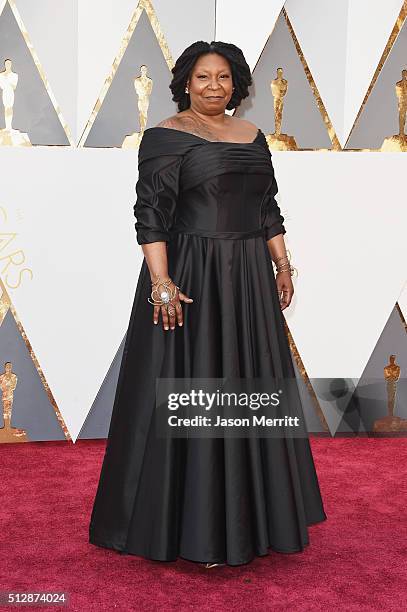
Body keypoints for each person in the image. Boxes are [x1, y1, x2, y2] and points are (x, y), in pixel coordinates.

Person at [88, 40, 327, 568]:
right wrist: (161, 282)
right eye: (202, 77)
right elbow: (150, 215)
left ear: (237, 84)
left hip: (248, 278)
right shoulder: (165, 137)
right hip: (191, 276)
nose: (213, 86)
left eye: (223, 77)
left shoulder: (253, 137)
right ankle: (189, 526)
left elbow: (267, 207)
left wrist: (282, 265)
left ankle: (250, 522)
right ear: (186, 84)